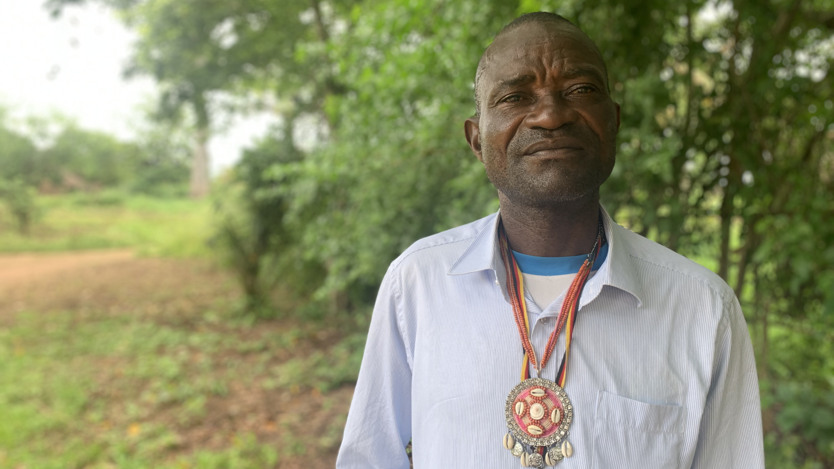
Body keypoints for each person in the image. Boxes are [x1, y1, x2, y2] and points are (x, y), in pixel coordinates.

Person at [336, 11, 764, 469]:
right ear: (477, 140)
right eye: (515, 96)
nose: (551, 115)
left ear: (614, 121)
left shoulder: (702, 308)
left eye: (580, 90)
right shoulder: (417, 284)